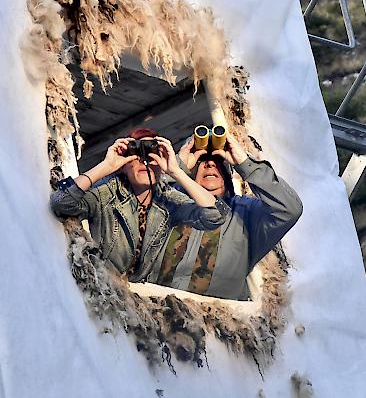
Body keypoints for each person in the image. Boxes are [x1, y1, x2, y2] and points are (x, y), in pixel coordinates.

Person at [50, 128, 230, 281]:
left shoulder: (166, 198)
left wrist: (176, 172)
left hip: (132, 300)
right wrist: (106, 166)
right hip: (102, 286)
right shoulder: (107, 192)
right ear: (124, 166)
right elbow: (62, 203)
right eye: (136, 155)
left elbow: (215, 216)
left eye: (152, 155)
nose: (145, 161)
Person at [149, 132, 303, 300]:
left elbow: (289, 209)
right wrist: (177, 167)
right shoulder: (169, 202)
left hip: (218, 320)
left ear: (228, 173)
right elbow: (137, 201)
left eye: (217, 162)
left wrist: (244, 163)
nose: (209, 164)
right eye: (201, 161)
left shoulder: (245, 213)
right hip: (153, 312)